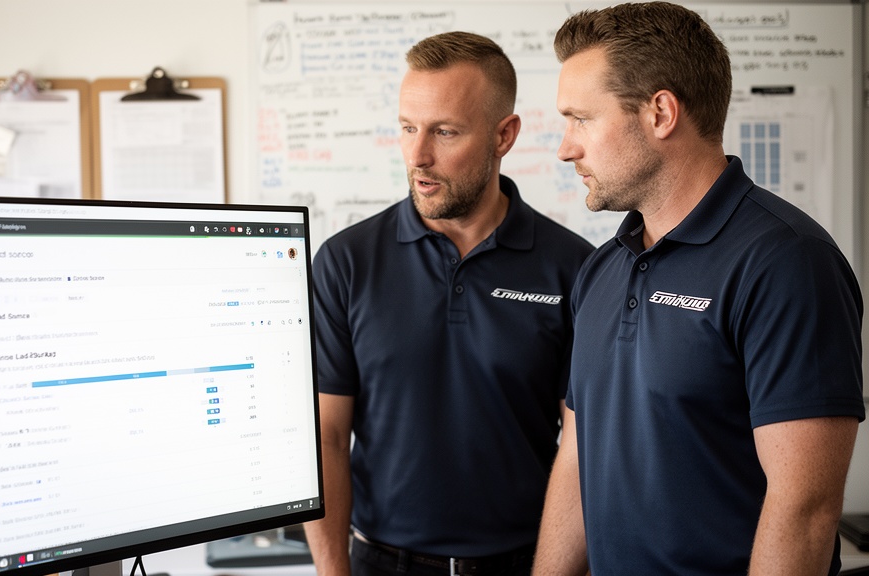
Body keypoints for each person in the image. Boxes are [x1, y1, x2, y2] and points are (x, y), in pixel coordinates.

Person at [531, 3, 865, 575]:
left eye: (581, 119)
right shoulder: (602, 268)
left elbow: (804, 510)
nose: (565, 147)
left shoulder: (786, 263)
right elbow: (579, 455)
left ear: (660, 113)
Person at [303, 31, 594, 576]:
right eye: (408, 128)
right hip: (379, 562)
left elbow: (584, 449)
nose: (418, 156)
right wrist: (332, 571)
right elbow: (326, 436)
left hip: (524, 562)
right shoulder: (346, 261)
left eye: (445, 131)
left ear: (504, 135)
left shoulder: (576, 268)